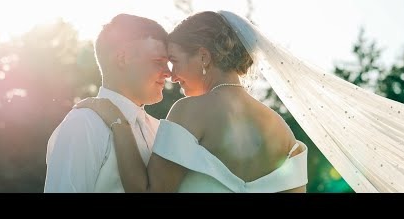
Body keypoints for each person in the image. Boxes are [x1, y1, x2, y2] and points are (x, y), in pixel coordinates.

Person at [75, 11, 308, 192]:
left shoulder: (189, 111)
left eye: (175, 61)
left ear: (204, 57)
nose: (172, 76)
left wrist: (118, 121)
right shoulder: (281, 129)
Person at [44, 14, 171, 192]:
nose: (168, 73)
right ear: (122, 59)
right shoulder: (83, 125)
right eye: (159, 62)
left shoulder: (158, 129)